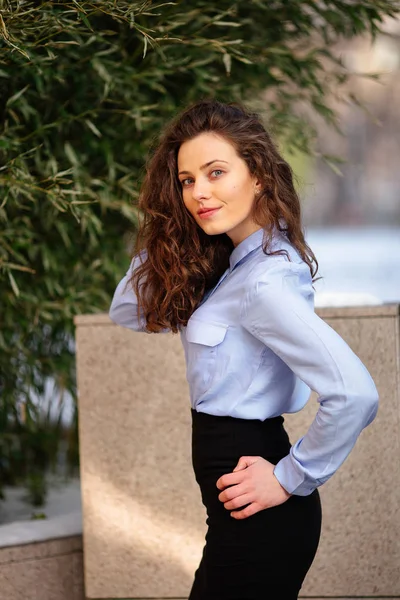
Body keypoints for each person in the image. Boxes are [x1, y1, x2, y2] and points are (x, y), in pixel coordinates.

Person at [108, 99, 379, 600]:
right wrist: (173, 227)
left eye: (215, 173)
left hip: (262, 519)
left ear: (258, 176)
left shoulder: (265, 281)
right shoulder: (229, 265)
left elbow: (356, 394)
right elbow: (126, 310)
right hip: (234, 518)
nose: (199, 193)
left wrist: (288, 478)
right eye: (187, 181)